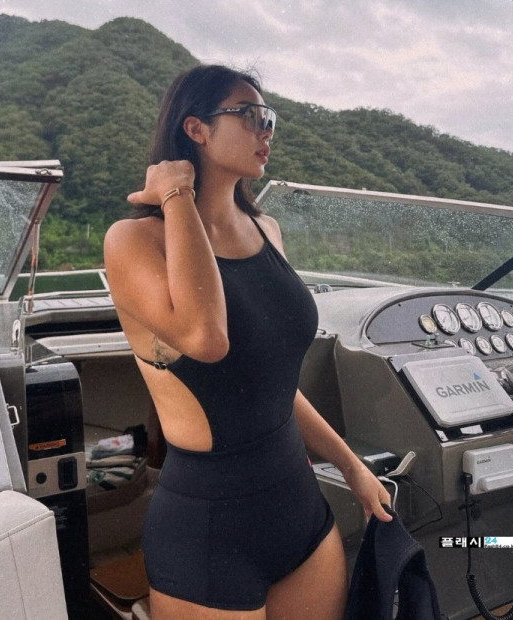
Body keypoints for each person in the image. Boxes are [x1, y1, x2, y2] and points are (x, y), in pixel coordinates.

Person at [104, 64, 392, 620]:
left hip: (299, 511)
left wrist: (351, 467)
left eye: (270, 119)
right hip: (208, 530)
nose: (266, 131)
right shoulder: (133, 241)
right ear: (196, 129)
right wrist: (177, 195)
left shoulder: (266, 229)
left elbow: (273, 383)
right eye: (251, 115)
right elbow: (206, 337)